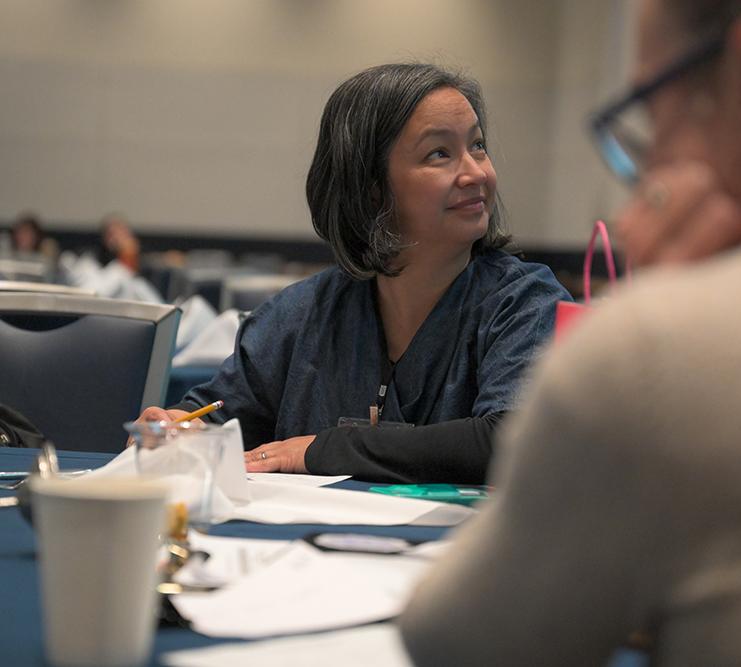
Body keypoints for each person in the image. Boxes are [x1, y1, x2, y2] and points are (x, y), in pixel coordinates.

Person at [400, 2, 741, 665]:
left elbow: (461, 643)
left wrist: (668, 310)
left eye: (653, 109)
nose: (651, 157)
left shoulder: (665, 349)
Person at [137, 63, 570, 483]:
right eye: (440, 153)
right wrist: (177, 428)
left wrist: (325, 449)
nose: (477, 172)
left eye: (477, 145)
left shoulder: (525, 302)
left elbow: (513, 438)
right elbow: (219, 419)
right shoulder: (301, 314)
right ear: (371, 188)